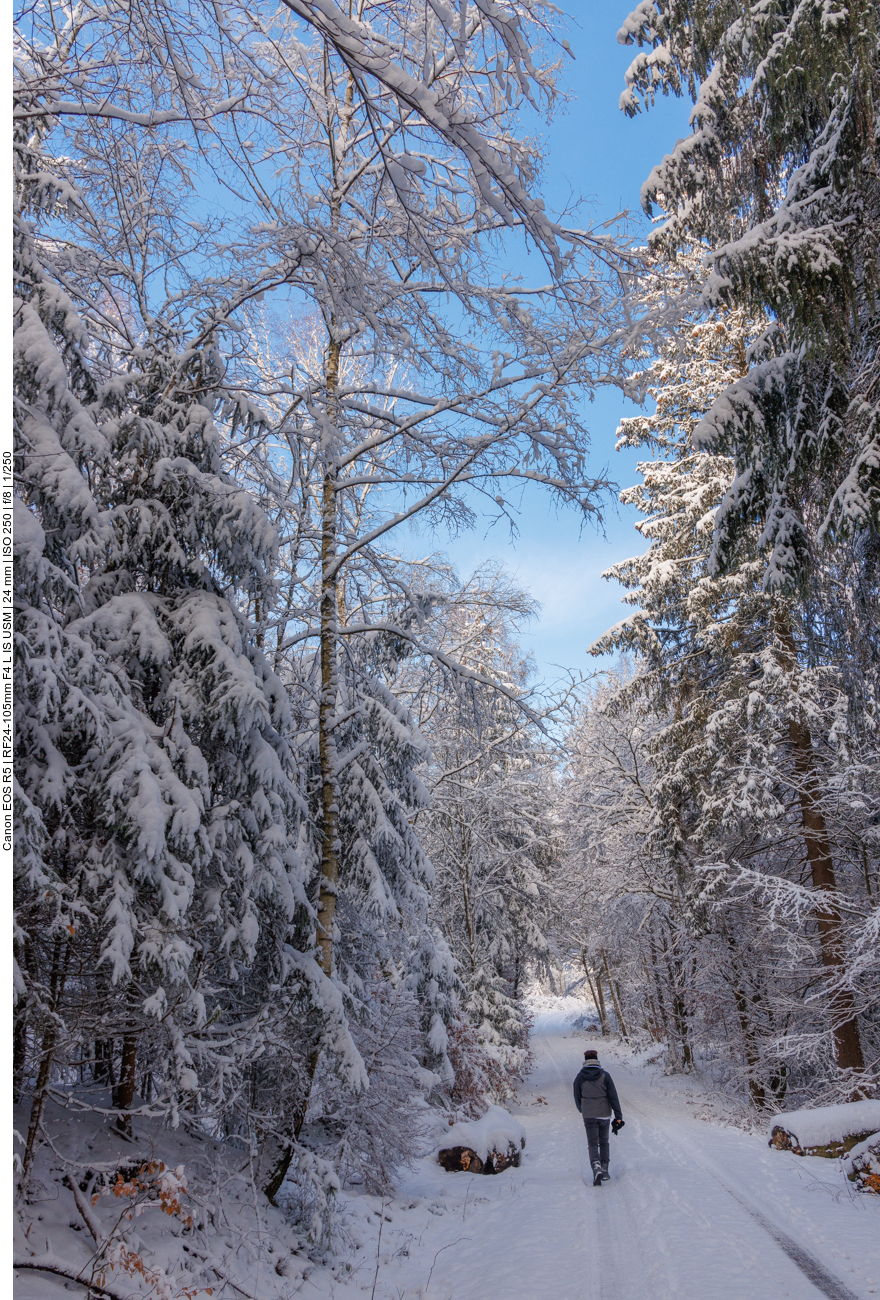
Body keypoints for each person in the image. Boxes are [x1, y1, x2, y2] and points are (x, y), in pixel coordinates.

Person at [573, 1049, 624, 1185]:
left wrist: (582, 1109)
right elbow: (613, 1096)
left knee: (592, 1142)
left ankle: (596, 1167)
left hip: (589, 1114)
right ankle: (605, 1167)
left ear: (585, 1060)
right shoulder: (605, 1076)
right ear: (597, 1059)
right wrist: (618, 1115)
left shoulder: (580, 1077)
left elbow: (577, 1096)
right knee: (604, 1141)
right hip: (604, 1114)